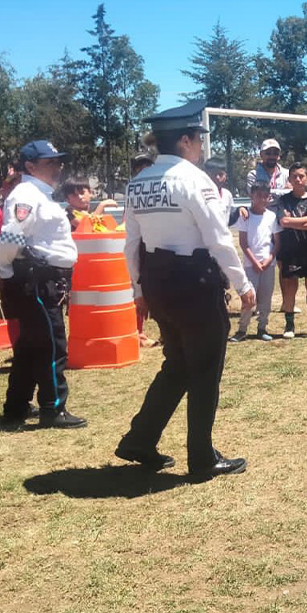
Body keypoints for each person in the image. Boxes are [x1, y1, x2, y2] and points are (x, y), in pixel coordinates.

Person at [116, 101, 256, 476]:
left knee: (177, 365)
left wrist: (138, 290)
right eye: (198, 139)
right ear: (185, 140)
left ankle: (140, 438)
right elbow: (219, 240)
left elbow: (130, 242)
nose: (201, 147)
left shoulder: (139, 182)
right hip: (193, 283)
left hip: (157, 282)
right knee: (205, 369)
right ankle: (202, 457)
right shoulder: (195, 180)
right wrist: (243, 285)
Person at [0, 140, 86, 429]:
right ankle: (52, 407)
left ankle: (17, 405)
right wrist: (3, 268)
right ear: (30, 166)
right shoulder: (28, 194)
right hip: (38, 279)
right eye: (50, 162)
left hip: (38, 277)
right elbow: (12, 236)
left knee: (31, 345)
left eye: (58, 162)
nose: (58, 167)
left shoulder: (35, 193)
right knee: (51, 345)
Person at [274, 162, 307, 338]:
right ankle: (289, 326)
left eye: (301, 176)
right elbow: (283, 222)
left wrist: (294, 223)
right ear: (289, 179)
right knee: (290, 286)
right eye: (294, 176)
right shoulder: (283, 200)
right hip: (290, 250)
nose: (297, 179)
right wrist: (306, 219)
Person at [231, 182, 280, 343]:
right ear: (251, 196)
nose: (262, 199)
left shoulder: (271, 216)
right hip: (250, 264)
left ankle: (262, 328)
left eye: (265, 196)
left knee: (265, 298)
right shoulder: (245, 216)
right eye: (258, 195)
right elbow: (244, 243)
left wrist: (269, 259)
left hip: (268, 264)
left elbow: (276, 242)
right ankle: (242, 329)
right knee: (248, 297)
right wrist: (254, 262)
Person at [127, 155, 158, 348]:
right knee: (141, 291)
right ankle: (139, 332)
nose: (143, 173)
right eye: (139, 170)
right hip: (141, 249)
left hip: (158, 250)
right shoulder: (132, 192)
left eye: (147, 168)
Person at [204, 158, 235, 224]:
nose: (217, 177)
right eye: (213, 174)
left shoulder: (227, 195)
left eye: (220, 174)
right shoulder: (201, 194)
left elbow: (229, 216)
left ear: (225, 176)